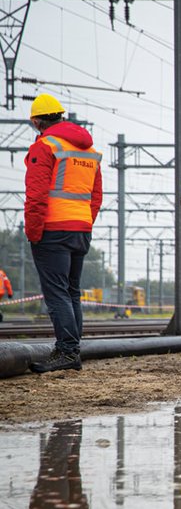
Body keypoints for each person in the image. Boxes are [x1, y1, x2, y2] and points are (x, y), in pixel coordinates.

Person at [24, 94, 103, 374]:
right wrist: (85, 222)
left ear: (37, 122)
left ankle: (68, 352)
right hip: (80, 229)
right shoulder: (90, 150)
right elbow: (96, 196)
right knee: (71, 292)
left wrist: (33, 231)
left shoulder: (45, 146)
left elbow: (36, 195)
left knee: (57, 293)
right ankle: (71, 349)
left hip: (53, 229)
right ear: (60, 116)